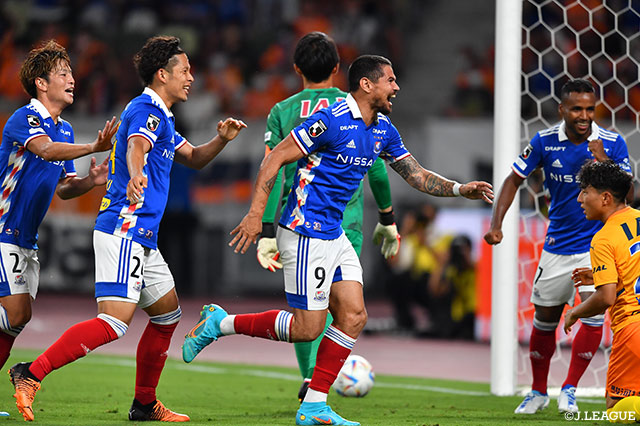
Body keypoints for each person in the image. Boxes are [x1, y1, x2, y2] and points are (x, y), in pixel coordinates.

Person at [183, 54, 493, 426]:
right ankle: (220, 323)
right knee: (307, 329)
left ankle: (314, 406)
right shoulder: (329, 121)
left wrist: (460, 189)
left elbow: (416, 175)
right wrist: (255, 216)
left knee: (353, 316)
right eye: (390, 80)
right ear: (367, 84)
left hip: (334, 233)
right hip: (304, 231)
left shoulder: (383, 129)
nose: (396, 87)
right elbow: (274, 159)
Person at [8, 35, 246, 422]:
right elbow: (137, 145)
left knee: (167, 315)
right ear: (162, 74)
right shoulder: (145, 109)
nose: (191, 77)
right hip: (125, 227)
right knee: (114, 321)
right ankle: (31, 373)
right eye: (185, 70)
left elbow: (193, 157)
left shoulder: (163, 116)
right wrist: (135, 174)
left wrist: (220, 139)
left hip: (143, 236)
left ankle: (145, 404)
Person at [256, 31, 399, 402]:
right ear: (337, 68)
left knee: (313, 307)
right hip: (346, 220)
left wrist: (266, 229)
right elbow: (377, 168)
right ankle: (320, 386)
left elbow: (275, 169)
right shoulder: (352, 104)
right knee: (331, 308)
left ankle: (311, 379)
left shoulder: (282, 111)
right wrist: (387, 216)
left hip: (299, 214)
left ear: (296, 69)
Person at [484, 78, 632, 415]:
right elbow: (513, 180)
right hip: (557, 245)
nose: (584, 116)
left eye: (590, 109)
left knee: (594, 316)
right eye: (577, 109)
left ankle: (570, 388)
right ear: (562, 109)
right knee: (544, 319)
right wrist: (496, 224)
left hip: (598, 245)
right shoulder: (544, 141)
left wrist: (604, 163)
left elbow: (629, 195)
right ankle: (538, 392)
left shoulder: (612, 143)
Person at [0, 39, 117, 417]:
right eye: (63, 74)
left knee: (15, 322)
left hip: (25, 238)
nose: (72, 80)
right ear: (40, 83)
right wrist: (94, 146)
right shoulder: (25, 118)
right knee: (15, 314)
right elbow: (46, 150)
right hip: (2, 229)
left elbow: (65, 188)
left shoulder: (64, 129)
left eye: (71, 73)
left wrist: (89, 181)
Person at [564, 160, 640, 423]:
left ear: (605, 198)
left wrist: (575, 313)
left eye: (585, 192)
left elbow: (606, 297)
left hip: (632, 327)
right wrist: (599, 274)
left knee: (617, 408)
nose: (579, 199)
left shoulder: (604, 238)